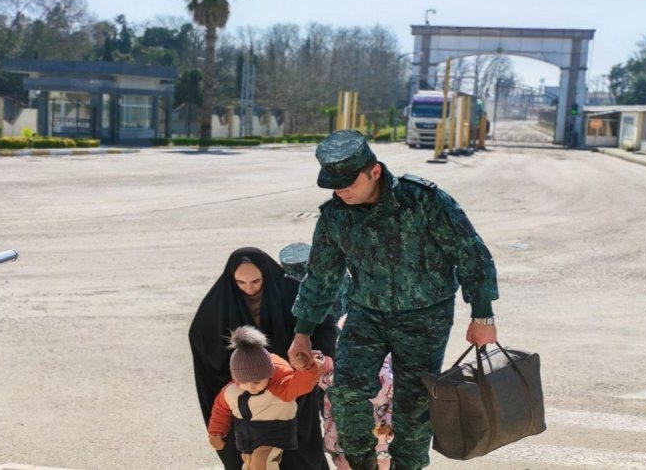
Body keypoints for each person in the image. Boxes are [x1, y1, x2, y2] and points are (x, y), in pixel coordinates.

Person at [288, 130, 499, 470]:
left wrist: (483, 316)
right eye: (334, 185)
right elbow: (323, 276)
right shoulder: (334, 215)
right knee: (346, 393)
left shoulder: (424, 201)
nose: (341, 191)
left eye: (348, 183)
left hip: (425, 317)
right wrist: (302, 331)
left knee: (413, 410)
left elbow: (470, 254)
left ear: (374, 171)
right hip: (366, 313)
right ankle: (361, 466)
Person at [189, 247, 337, 470]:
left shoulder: (290, 291)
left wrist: (312, 358)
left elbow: (323, 324)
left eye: (256, 281)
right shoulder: (220, 301)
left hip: (291, 387)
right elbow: (201, 338)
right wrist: (239, 374)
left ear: (266, 274)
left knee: (302, 454)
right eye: (241, 283)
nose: (249, 289)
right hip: (249, 395)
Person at [279, 242, 393, 470]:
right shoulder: (339, 277)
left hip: (344, 362)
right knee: (338, 426)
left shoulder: (328, 281)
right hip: (331, 367)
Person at [207, 325, 332, 469]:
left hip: (275, 433)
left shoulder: (281, 387)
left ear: (269, 374)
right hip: (246, 436)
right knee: (249, 464)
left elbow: (302, 384)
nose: (250, 386)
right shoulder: (231, 391)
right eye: (242, 382)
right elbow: (220, 411)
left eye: (256, 382)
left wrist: (306, 368)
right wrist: (216, 432)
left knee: (262, 462)